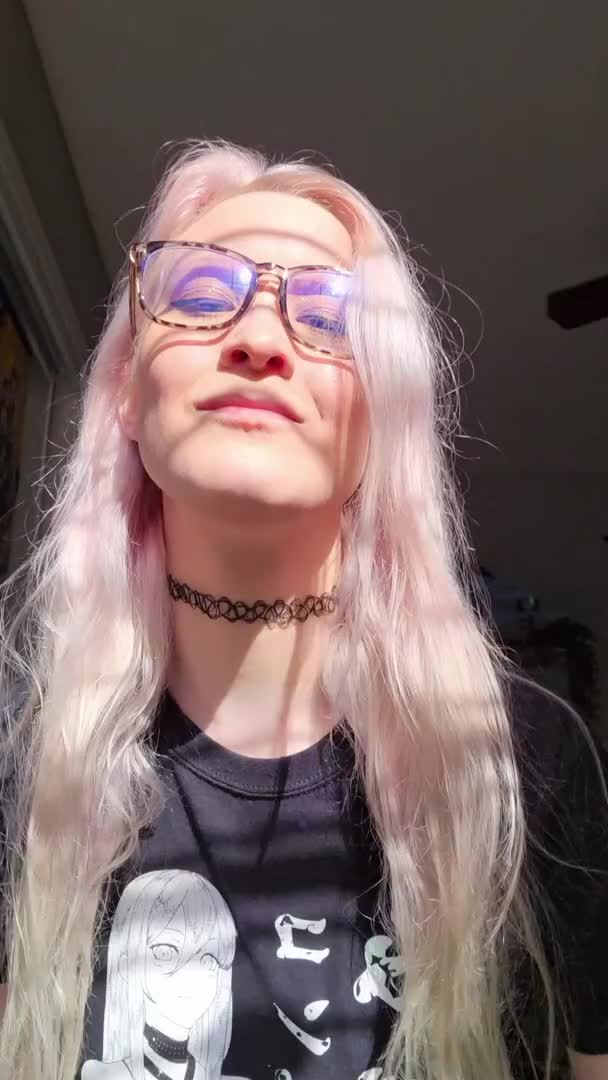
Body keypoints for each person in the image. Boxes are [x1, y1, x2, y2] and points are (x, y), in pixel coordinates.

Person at [0, 138, 606, 1080]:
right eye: (200, 294)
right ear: (126, 395)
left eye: (329, 318)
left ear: (383, 417)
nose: (259, 338)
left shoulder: (527, 761)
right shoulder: (17, 747)